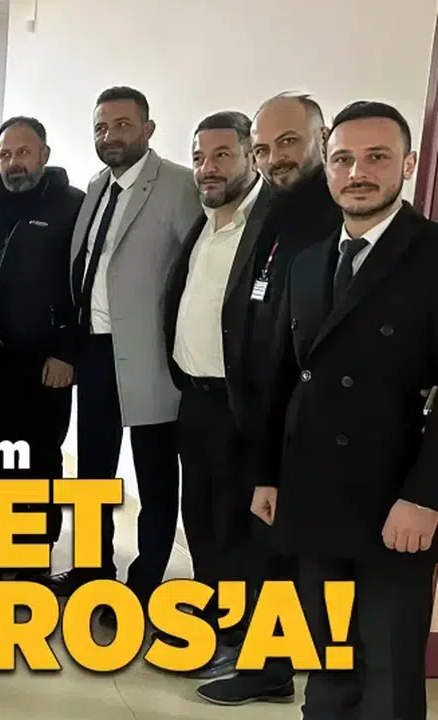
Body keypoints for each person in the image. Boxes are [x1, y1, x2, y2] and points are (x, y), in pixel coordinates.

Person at [253, 100, 438, 720]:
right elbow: (284, 378)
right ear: (327, 167)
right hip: (313, 491)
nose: (357, 172)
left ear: (407, 164)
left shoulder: (432, 256)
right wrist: (268, 475)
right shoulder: (309, 263)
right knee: (329, 659)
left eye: (376, 157)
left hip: (395, 500)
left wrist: (425, 497)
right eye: (343, 160)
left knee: (387, 672)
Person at [196, 91, 343, 706]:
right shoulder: (276, 212)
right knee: (258, 547)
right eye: (263, 148)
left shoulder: (333, 218)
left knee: (281, 552)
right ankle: (263, 661)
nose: (275, 158)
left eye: (288, 142)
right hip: (256, 412)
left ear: (321, 140)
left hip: (302, 421)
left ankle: (272, 668)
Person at [54, 87, 201, 624]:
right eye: (101, 127)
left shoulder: (179, 185)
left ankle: (144, 584)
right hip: (95, 350)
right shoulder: (97, 186)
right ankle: (92, 569)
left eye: (121, 124)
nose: (110, 135)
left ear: (147, 128)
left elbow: (193, 270)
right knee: (94, 470)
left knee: (155, 475)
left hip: (151, 355)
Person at [162, 110, 266, 681]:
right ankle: (211, 615)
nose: (208, 167)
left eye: (222, 154)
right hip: (195, 398)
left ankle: (241, 637)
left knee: (234, 527)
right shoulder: (206, 224)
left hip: (238, 404)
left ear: (252, 155)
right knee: (199, 516)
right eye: (200, 156)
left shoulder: (266, 225)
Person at [0, 116, 84, 580]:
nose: (13, 163)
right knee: (1, 457)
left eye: (22, 152)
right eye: (5, 154)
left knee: (40, 460)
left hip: (47, 363)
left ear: (44, 154)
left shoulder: (72, 206)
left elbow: (83, 285)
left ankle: (36, 556)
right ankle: (4, 549)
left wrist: (67, 351)